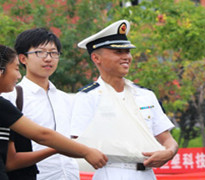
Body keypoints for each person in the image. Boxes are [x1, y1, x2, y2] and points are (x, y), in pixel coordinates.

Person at [71, 19, 178, 180]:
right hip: (110, 171)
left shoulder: (145, 95)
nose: (126, 57)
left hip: (147, 173)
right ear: (96, 58)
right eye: (118, 52)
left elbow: (168, 139)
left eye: (127, 52)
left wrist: (169, 153)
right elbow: (75, 143)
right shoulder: (88, 97)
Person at [0, 44, 108, 180]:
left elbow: (11, 161)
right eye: (15, 69)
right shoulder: (7, 101)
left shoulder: (66, 99)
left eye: (54, 53)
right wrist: (85, 151)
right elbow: (43, 135)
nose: (18, 75)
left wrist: (58, 148)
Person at [2, 28, 80, 180]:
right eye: (40, 52)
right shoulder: (12, 96)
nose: (48, 58)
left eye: (53, 53)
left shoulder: (66, 99)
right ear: (23, 59)